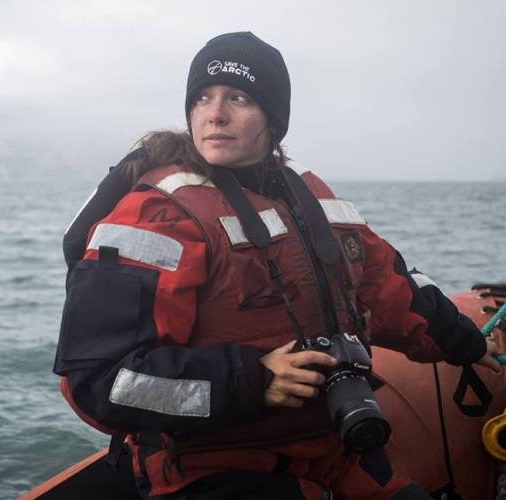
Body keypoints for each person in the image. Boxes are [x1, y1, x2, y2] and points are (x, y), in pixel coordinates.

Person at [53, 32, 503, 500]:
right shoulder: (158, 213)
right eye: (203, 97)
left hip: (334, 452)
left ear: (274, 117)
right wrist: (254, 379)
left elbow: (386, 285)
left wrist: (465, 340)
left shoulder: (308, 196)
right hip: (210, 468)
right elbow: (101, 379)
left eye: (239, 97)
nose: (215, 113)